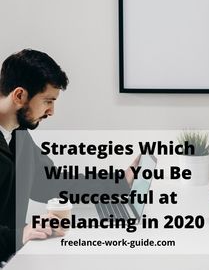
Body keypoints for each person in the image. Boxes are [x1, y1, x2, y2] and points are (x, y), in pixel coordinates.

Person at [0, 49, 134, 264]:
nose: (51, 111)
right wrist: (19, 235)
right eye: (47, 101)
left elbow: (50, 182)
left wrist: (121, 182)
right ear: (19, 96)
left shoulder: (19, 135)